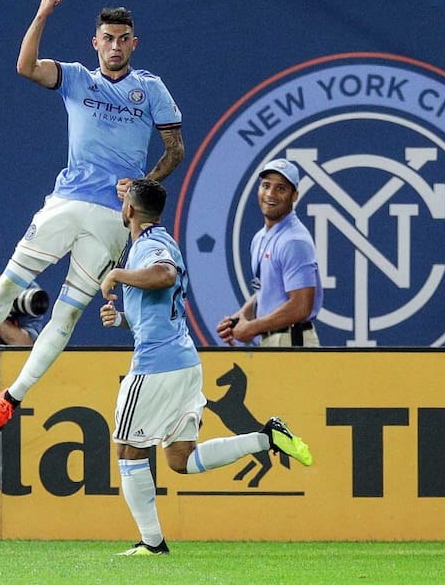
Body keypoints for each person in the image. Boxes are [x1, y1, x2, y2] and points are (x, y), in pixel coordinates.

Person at [0, 0, 185, 437]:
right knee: (10, 282)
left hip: (112, 219)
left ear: (134, 44)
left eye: (123, 39)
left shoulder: (151, 89)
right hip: (66, 203)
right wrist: (43, 12)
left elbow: (176, 149)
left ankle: (12, 397)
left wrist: (145, 184)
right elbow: (25, 66)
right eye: (107, 38)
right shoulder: (77, 79)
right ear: (94, 42)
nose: (114, 46)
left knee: (66, 315)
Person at [99, 178, 312, 556]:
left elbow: (164, 275)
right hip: (183, 363)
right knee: (180, 459)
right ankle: (267, 438)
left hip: (156, 366)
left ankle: (152, 543)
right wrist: (121, 320)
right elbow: (161, 308)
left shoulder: (151, 245)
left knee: (128, 450)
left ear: (129, 210)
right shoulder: (156, 243)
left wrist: (116, 275)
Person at [216, 159, 323, 347]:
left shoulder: (294, 240)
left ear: (295, 195)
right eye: (266, 186)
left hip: (292, 342)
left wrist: (253, 327)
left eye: (281, 188)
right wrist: (240, 317)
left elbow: (301, 306)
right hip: (273, 340)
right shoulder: (260, 238)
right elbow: (268, 290)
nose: (270, 194)